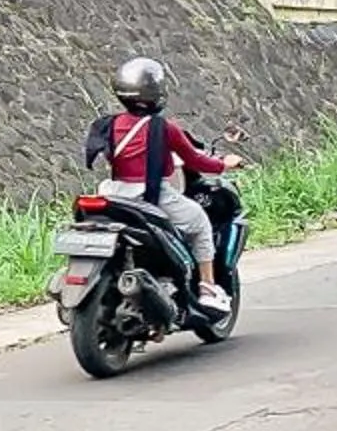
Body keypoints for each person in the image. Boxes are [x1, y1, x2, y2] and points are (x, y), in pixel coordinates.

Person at [83, 56, 243, 313]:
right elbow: (196, 160)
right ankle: (208, 287)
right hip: (150, 196)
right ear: (156, 92)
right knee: (200, 223)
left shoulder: (108, 124)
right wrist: (226, 164)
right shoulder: (164, 128)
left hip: (115, 194)